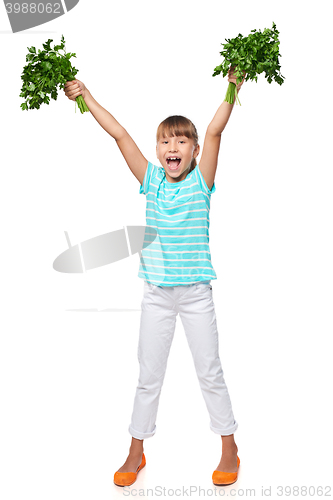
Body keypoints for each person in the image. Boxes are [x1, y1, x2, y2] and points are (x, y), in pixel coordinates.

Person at [64, 66, 246, 487]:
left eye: (182, 140)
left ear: (195, 151)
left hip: (196, 294)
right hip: (157, 295)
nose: (172, 146)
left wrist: (234, 86)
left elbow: (217, 130)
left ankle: (229, 446)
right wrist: (86, 94)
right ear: (159, 150)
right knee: (149, 373)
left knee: (209, 370)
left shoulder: (201, 182)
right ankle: (136, 450)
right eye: (165, 140)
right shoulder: (151, 181)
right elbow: (120, 134)